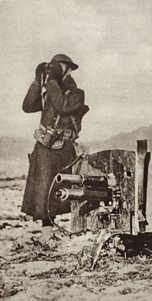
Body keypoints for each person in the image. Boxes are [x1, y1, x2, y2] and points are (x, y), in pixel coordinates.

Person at [22, 54, 89, 243]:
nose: (55, 70)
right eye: (53, 67)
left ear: (68, 69)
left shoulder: (77, 93)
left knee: (61, 191)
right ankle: (47, 233)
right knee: (42, 192)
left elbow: (62, 107)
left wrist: (50, 81)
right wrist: (37, 81)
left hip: (63, 148)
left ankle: (71, 232)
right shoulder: (50, 91)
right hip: (45, 146)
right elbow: (27, 106)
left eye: (59, 67)